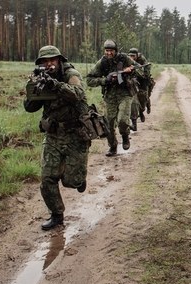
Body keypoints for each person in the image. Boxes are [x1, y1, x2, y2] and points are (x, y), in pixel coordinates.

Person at [23, 45, 90, 230]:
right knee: (47, 178)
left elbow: (78, 94)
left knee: (71, 181)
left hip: (75, 134)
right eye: (45, 61)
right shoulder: (41, 77)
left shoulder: (71, 74)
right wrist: (34, 87)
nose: (50, 64)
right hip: (53, 134)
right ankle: (57, 216)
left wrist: (56, 85)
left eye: (53, 60)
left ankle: (78, 178)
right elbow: (29, 108)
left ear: (59, 60)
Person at [87, 39, 136, 156]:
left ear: (116, 51)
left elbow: (137, 68)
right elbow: (89, 80)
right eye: (107, 51)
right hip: (110, 96)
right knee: (108, 123)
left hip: (125, 94)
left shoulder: (124, 59)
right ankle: (113, 146)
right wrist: (105, 80)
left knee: (123, 120)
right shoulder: (102, 63)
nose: (109, 53)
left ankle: (125, 135)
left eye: (111, 51)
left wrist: (129, 71)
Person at [128, 48, 153, 124]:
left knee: (144, 97)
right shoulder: (127, 59)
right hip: (134, 80)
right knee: (135, 99)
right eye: (130, 56)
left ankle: (147, 105)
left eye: (133, 56)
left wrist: (138, 71)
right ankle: (140, 113)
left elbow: (146, 74)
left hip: (143, 81)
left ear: (137, 55)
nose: (131, 58)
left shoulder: (143, 60)